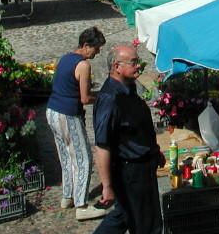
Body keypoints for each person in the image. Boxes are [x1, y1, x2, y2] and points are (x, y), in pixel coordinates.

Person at [93, 45, 164, 234]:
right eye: (133, 62)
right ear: (117, 66)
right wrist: (107, 186)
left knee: (130, 216)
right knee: (142, 222)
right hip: (130, 170)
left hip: (143, 165)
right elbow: (102, 145)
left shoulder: (128, 88)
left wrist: (155, 151)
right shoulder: (110, 99)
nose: (138, 66)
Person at [46, 27, 107, 221]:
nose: (97, 52)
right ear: (86, 45)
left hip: (52, 111)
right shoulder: (83, 65)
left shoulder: (66, 58)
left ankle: (68, 196)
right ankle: (81, 205)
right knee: (83, 158)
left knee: (66, 155)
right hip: (67, 115)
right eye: (96, 48)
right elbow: (84, 98)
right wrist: (101, 98)